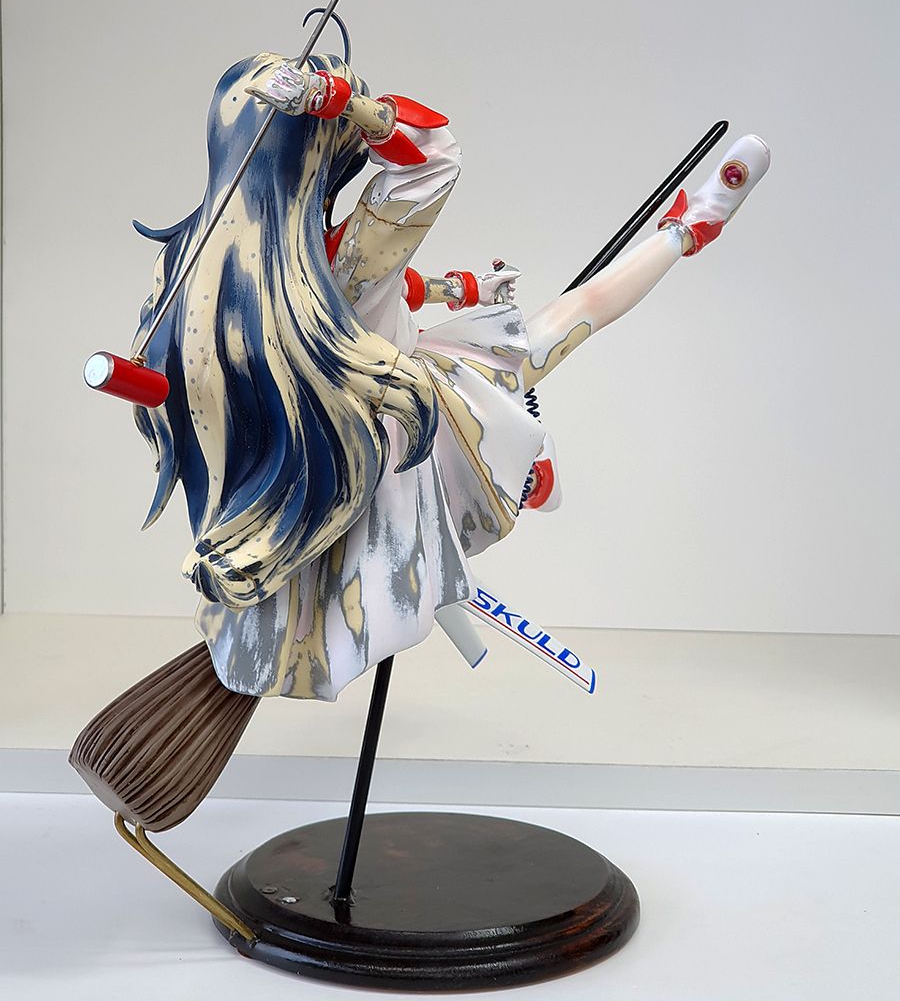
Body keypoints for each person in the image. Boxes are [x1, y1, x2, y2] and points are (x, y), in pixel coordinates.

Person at [133, 51, 770, 702]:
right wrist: (339, 98)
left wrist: (461, 289)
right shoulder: (335, 257)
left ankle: (524, 458)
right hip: (393, 430)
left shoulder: (193, 267)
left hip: (324, 446)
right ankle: (687, 231)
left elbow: (391, 284)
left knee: (533, 351)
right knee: (563, 324)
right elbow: (434, 158)